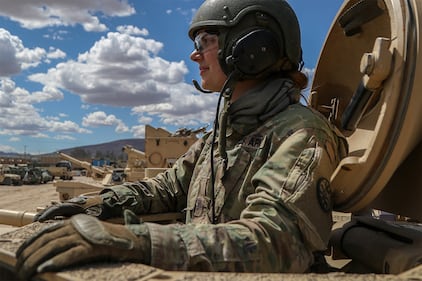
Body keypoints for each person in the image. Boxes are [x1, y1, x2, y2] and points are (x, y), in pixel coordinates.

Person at [15, 0, 348, 279]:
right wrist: (97, 205)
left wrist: (135, 241)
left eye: (206, 41)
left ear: (251, 47)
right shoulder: (223, 134)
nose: (195, 55)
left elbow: (278, 242)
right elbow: (166, 189)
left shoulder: (301, 133)